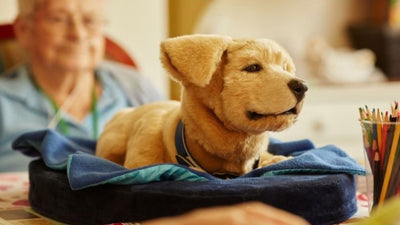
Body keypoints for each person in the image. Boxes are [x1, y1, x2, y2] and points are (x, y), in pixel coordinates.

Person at [0, 0, 163, 172]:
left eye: (90, 20)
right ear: (24, 29)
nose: (77, 34)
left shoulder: (137, 88)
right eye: (58, 19)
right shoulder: (4, 101)